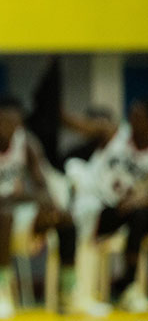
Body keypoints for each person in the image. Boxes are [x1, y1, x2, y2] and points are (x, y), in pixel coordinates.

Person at [0, 96, 77, 319]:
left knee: (65, 218)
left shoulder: (27, 143)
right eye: (2, 123)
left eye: (13, 124)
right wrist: (24, 196)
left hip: (10, 213)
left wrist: (44, 205)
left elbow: (43, 187)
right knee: (4, 215)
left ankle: (68, 292)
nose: (7, 129)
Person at [64, 98, 148, 312]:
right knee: (133, 214)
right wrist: (58, 112)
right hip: (93, 203)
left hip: (120, 212)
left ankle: (128, 286)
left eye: (138, 117)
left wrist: (136, 200)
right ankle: (79, 295)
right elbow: (82, 126)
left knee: (140, 215)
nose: (131, 120)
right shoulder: (115, 133)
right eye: (131, 114)